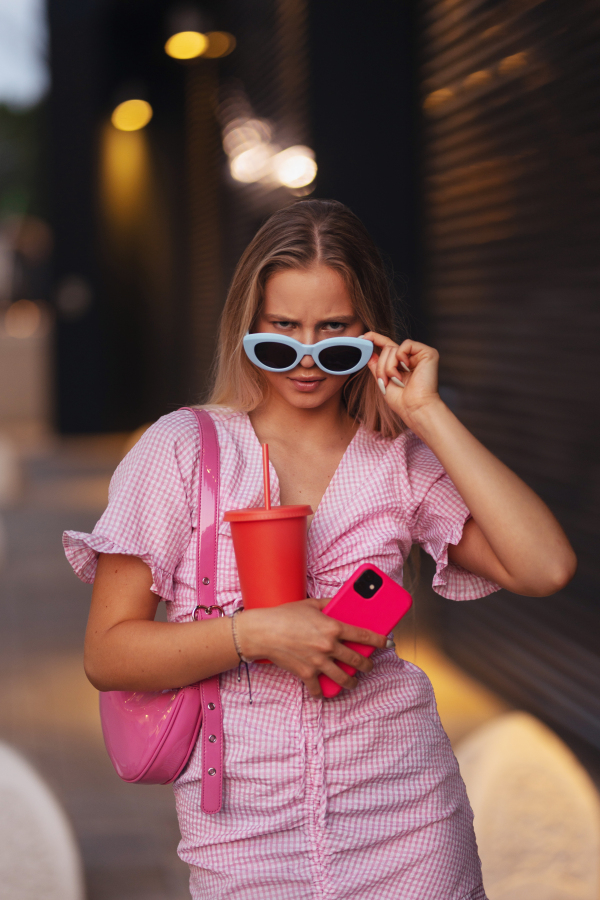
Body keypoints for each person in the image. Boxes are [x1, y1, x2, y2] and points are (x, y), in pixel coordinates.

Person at [64, 199, 576, 900]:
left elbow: (545, 565)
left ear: (370, 336)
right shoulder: (183, 450)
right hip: (244, 831)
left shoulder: (399, 462)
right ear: (249, 328)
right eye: (282, 334)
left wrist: (427, 412)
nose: (306, 360)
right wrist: (256, 633)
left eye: (333, 335)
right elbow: (108, 653)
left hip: (409, 815)